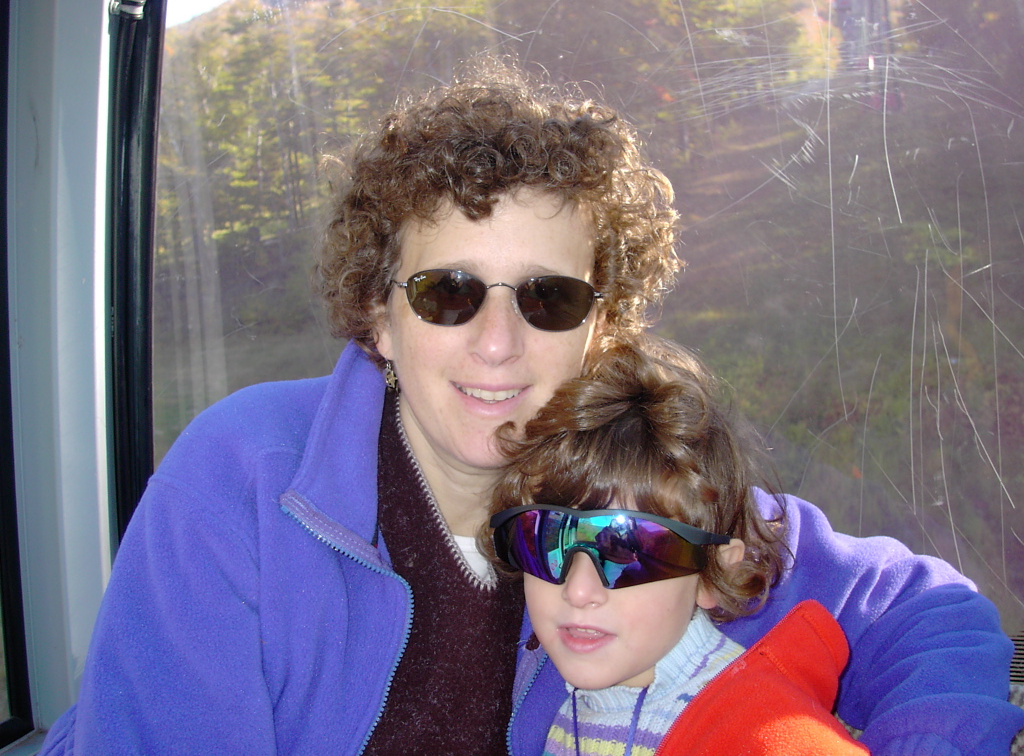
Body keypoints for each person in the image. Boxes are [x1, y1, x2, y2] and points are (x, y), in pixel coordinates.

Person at [39, 58, 1021, 755]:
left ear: (603, 327)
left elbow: (925, 611)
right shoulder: (243, 482)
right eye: (448, 293)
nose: (497, 342)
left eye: (548, 298)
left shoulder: (638, 504)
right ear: (379, 316)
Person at [486, 338, 868, 755]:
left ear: (711, 574)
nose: (578, 591)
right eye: (546, 539)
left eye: (626, 550)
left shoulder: (760, 731)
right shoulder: (571, 709)